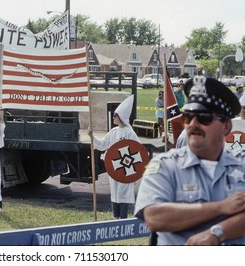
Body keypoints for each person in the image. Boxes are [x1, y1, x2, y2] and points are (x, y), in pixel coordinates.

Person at [135, 77, 245, 245]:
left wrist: (217, 233)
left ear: (226, 126)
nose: (193, 123)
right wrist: (220, 207)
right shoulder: (165, 166)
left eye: (203, 117)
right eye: (188, 116)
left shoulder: (242, 166)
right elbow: (155, 217)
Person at [88, 95, 139, 219]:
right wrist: (91, 136)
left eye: (115, 115)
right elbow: (102, 144)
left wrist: (136, 172)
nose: (113, 117)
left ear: (121, 117)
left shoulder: (129, 133)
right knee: (115, 193)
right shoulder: (113, 132)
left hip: (126, 168)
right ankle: (115, 219)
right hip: (115, 167)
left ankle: (123, 219)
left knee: (123, 194)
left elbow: (137, 150)